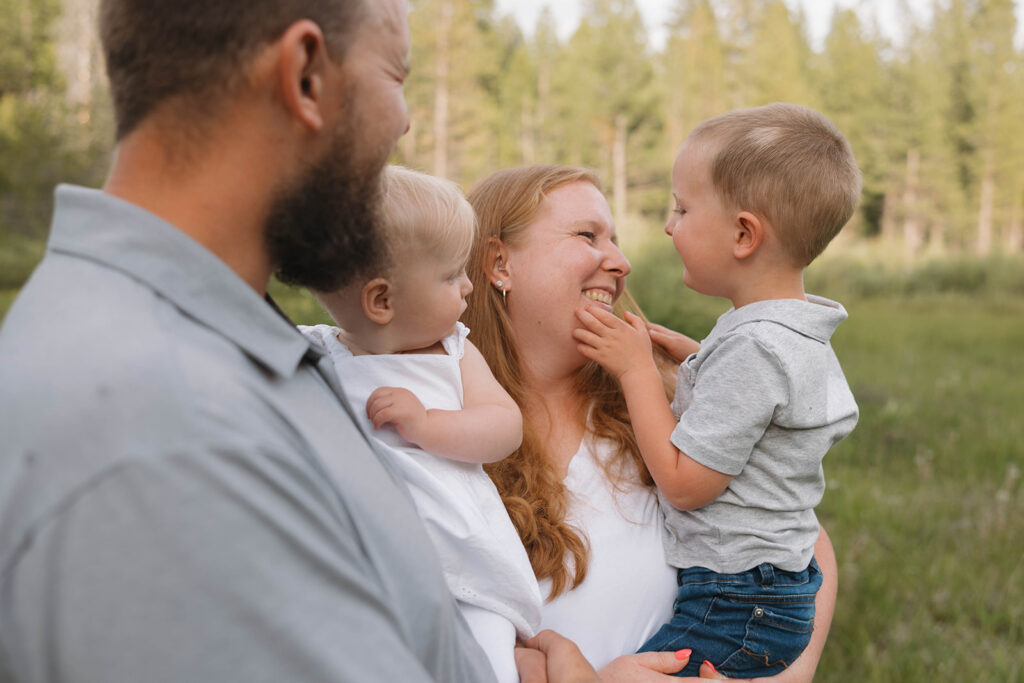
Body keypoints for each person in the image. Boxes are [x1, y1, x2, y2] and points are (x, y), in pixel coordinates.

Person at [0, 2, 596, 681]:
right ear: (306, 75)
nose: (403, 122)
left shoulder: (220, 346)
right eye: (397, 75)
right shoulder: (161, 426)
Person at [463, 164, 840, 682]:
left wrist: (787, 677)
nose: (620, 262)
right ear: (498, 263)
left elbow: (798, 538)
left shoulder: (657, 392)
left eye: (615, 240)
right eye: (587, 235)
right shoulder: (441, 425)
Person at [571, 103, 860, 677]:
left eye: (681, 208)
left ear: (744, 234)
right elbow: (768, 411)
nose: (668, 224)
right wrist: (704, 363)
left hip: (736, 601)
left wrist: (636, 374)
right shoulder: (792, 330)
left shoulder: (754, 350)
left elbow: (684, 484)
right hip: (772, 589)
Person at [299, 165, 540, 683]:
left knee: (487, 660)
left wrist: (429, 424)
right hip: (374, 567)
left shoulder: (453, 351)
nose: (469, 285)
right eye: (452, 274)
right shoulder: (317, 356)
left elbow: (504, 427)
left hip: (464, 558)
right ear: (382, 300)